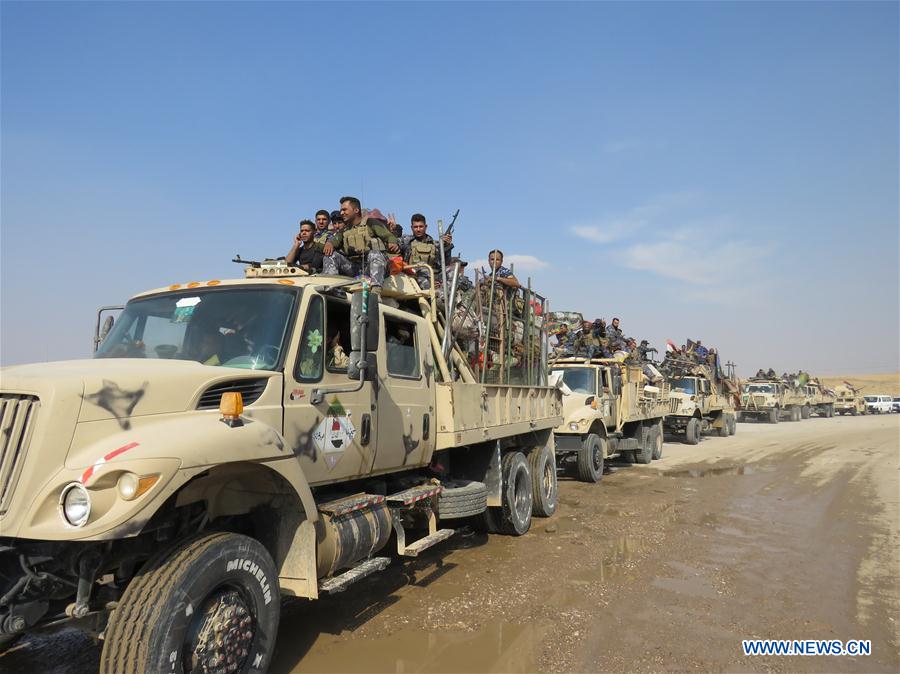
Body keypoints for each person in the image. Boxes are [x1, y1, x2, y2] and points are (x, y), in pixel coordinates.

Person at [320, 196, 399, 289]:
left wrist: (392, 242)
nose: (341, 213)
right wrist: (329, 243)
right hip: (354, 268)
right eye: (341, 210)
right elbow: (334, 241)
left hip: (371, 266)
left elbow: (389, 236)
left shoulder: (370, 223)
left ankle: (375, 289)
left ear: (356, 210)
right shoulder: (344, 230)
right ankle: (332, 287)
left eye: (344, 210)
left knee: (375, 253)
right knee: (330, 255)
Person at [400, 213, 453, 289]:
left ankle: (442, 296)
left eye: (421, 226)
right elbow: (394, 244)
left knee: (452, 270)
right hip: (414, 276)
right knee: (422, 266)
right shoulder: (406, 241)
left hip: (434, 276)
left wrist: (447, 245)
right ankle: (432, 296)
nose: (418, 229)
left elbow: (446, 263)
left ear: (426, 227)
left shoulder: (435, 244)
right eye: (415, 227)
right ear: (411, 228)